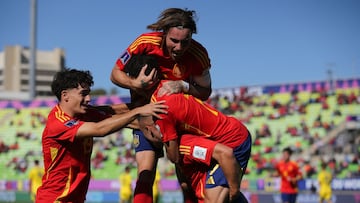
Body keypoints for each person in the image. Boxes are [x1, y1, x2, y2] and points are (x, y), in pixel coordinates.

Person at [110, 7, 212, 203]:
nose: (180, 47)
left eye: (185, 41)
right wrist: (135, 84)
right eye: (174, 40)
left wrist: (183, 85)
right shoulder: (145, 43)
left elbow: (205, 92)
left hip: (180, 121)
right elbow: (115, 73)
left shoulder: (199, 55)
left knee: (186, 180)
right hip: (146, 117)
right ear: (164, 34)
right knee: (146, 174)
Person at [125, 54, 251, 202]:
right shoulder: (166, 87)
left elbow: (174, 157)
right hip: (225, 136)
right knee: (192, 186)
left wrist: (234, 190)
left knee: (212, 197)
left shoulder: (162, 110)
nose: (129, 85)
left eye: (131, 80)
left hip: (233, 141)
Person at [35, 68, 167, 203]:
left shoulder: (85, 113)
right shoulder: (57, 122)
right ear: (65, 95)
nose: (88, 99)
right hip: (55, 199)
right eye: (83, 94)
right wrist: (138, 110)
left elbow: (113, 111)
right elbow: (100, 129)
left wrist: (159, 112)